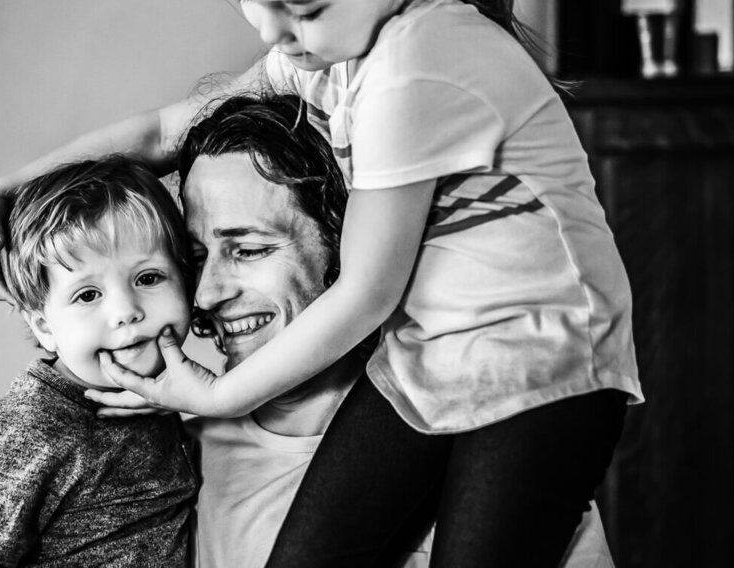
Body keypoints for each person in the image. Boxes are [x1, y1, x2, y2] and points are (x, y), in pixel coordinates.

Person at [0, 0, 642, 566]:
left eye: (301, 7)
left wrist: (217, 394)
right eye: (253, 0)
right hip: (432, 352)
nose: (273, 32)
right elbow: (164, 129)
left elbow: (366, 290)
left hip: (544, 368)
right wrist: (17, 184)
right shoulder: (332, 51)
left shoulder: (419, 65)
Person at [176, 94, 613, 568]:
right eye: (198, 258)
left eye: (249, 250)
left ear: (350, 246)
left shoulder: (496, 466)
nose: (207, 294)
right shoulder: (173, 462)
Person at [0, 157, 197, 567]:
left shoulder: (181, 396)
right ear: (44, 327)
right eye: (88, 295)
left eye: (148, 278)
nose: (126, 311)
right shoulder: (21, 432)